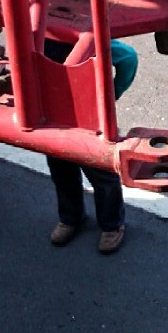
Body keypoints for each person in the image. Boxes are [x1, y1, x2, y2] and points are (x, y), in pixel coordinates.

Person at [44, 37, 138, 255]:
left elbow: (128, 58)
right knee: (61, 170)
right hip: (52, 114)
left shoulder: (85, 36)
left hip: (88, 117)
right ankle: (70, 218)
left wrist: (109, 97)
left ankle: (112, 225)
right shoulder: (37, 33)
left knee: (101, 174)